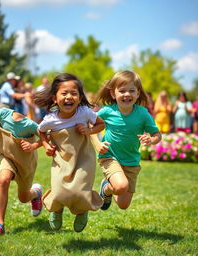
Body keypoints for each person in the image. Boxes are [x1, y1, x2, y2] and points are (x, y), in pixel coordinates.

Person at [34, 73, 104, 232]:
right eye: (64, 93)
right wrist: (45, 145)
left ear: (80, 98)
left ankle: (82, 211)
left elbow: (101, 124)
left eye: (74, 93)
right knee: (59, 190)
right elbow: (41, 131)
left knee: (80, 190)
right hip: (62, 159)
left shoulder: (85, 112)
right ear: (54, 98)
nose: (69, 97)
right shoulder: (50, 119)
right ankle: (56, 210)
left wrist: (89, 130)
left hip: (83, 158)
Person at [91, 70, 161, 212]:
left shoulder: (143, 114)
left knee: (123, 205)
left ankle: (107, 188)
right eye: (122, 91)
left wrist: (151, 139)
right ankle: (112, 185)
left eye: (131, 91)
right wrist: (97, 144)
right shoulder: (107, 111)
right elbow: (90, 126)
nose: (127, 94)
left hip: (131, 161)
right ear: (113, 93)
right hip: (109, 156)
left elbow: (157, 134)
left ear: (137, 93)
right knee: (121, 186)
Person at [0, 107, 43, 236]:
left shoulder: (30, 124)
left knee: (23, 198)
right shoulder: (4, 112)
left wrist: (33, 146)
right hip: (7, 156)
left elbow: (46, 137)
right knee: (3, 180)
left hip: (26, 163)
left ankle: (36, 193)